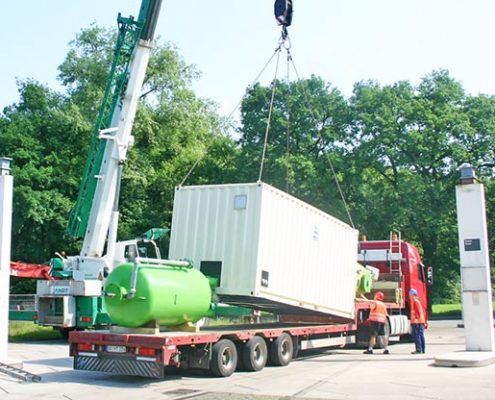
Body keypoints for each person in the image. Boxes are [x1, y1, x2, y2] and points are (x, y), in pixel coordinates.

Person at [409, 288, 426, 354]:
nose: (409, 296)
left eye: (410, 295)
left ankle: (419, 349)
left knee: (417, 335)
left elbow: (418, 312)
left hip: (417, 322)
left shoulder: (415, 301)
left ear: (413, 295)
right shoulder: (417, 301)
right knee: (420, 335)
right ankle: (422, 349)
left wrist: (416, 318)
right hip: (419, 321)